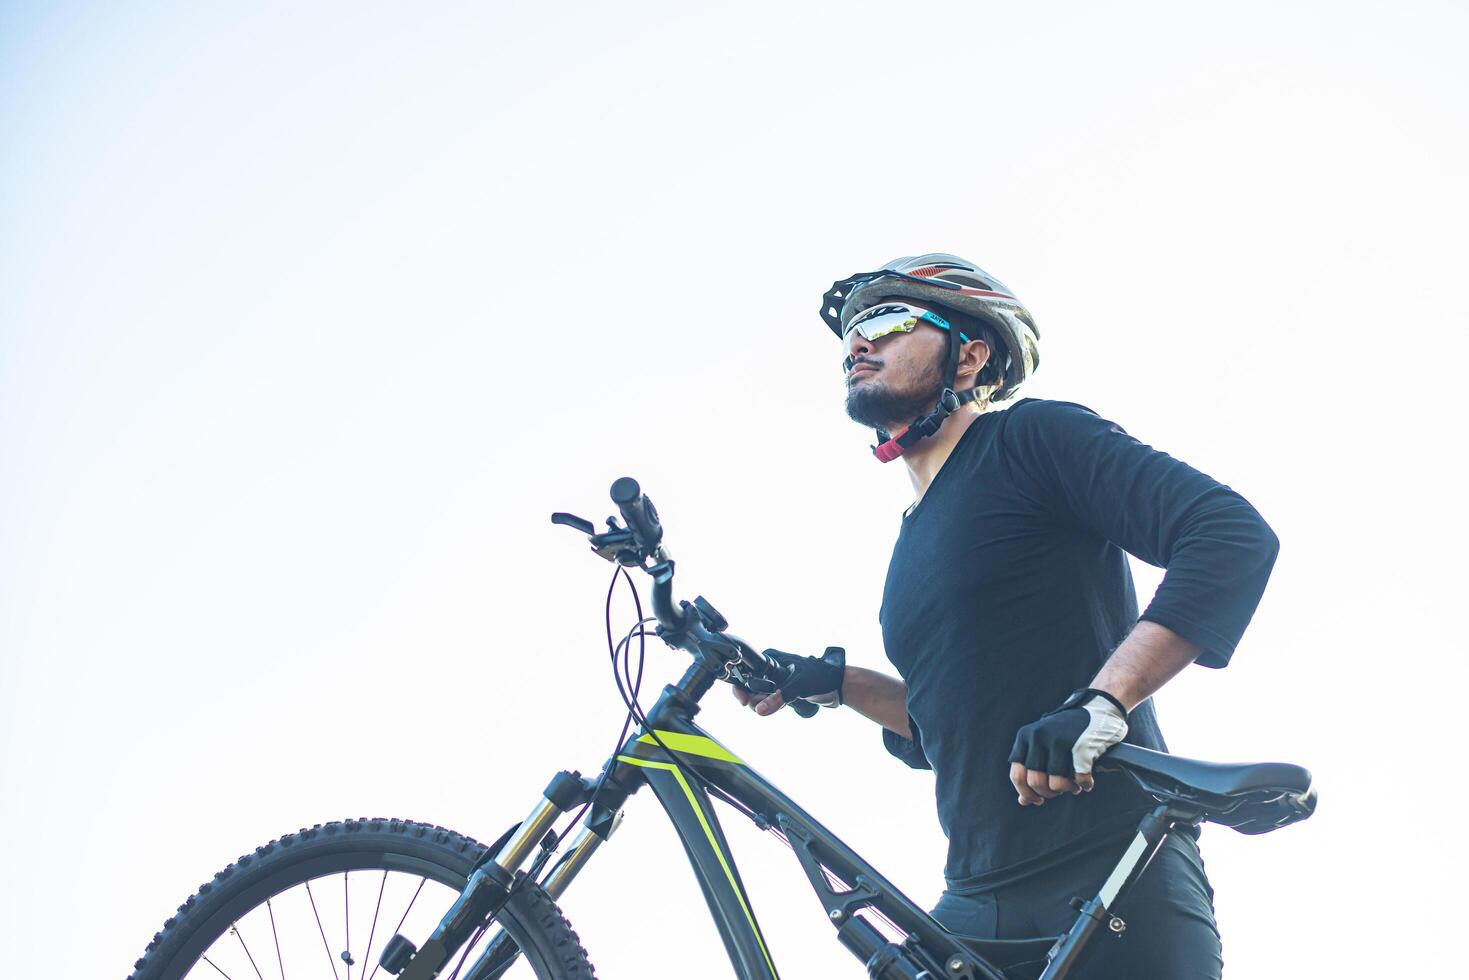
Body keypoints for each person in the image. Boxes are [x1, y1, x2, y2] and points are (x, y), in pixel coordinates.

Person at [734, 253, 1278, 979]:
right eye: (852, 335)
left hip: (1111, 869)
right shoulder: (910, 542)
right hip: (972, 899)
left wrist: (1102, 702)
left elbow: (1227, 534)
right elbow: (949, 730)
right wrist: (839, 684)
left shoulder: (1030, 440)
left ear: (971, 358)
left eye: (889, 323)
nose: (859, 344)